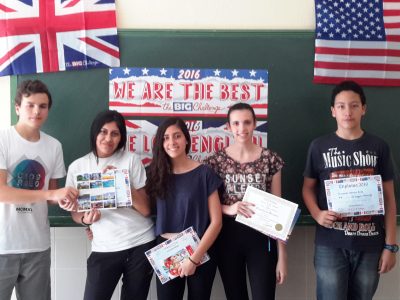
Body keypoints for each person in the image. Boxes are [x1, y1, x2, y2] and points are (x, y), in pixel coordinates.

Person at [302, 80, 398, 300]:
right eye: (341, 106)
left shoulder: (379, 147)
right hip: (330, 243)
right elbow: (307, 188)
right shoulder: (319, 146)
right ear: (332, 111)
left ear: (363, 109)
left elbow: (390, 199)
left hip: (371, 243)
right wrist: (317, 213)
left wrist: (391, 246)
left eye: (354, 105)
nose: (348, 112)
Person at [0, 80, 79, 300]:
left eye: (42, 106)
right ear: (17, 108)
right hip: (3, 245)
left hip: (37, 246)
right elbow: (2, 192)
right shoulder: (3, 139)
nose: (36, 111)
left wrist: (65, 198)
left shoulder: (54, 146)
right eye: (30, 105)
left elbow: (52, 196)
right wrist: (50, 194)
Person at [67, 110, 155, 300]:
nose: (108, 138)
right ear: (94, 133)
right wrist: (84, 219)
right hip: (104, 247)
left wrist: (121, 183)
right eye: (103, 132)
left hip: (139, 243)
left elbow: (146, 210)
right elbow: (74, 211)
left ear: (121, 137)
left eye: (115, 134)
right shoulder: (78, 167)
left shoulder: (130, 160)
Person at [205, 102, 287, 300]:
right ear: (228, 127)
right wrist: (229, 208)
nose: (242, 129)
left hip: (261, 238)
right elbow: (209, 205)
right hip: (228, 237)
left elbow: (279, 209)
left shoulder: (270, 159)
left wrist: (282, 256)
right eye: (236, 123)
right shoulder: (215, 161)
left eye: (247, 122)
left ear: (255, 124)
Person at [146, 117, 222, 300]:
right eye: (165, 138)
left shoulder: (205, 173)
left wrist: (194, 259)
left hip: (200, 249)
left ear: (187, 139)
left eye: (177, 136)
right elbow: (142, 210)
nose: (171, 142)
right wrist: (91, 225)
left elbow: (217, 222)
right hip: (165, 249)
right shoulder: (153, 173)